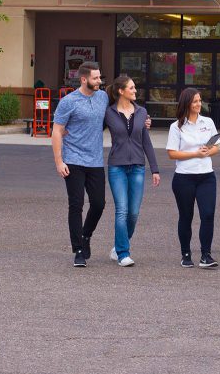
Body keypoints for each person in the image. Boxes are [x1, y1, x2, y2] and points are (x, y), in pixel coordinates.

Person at [52, 62, 108, 268]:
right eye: (95, 78)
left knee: (99, 203)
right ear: (84, 79)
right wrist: (59, 161)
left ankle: (86, 236)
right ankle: (78, 250)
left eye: (100, 77)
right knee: (76, 205)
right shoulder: (69, 101)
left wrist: (143, 119)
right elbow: (57, 131)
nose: (99, 82)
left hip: (95, 161)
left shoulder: (103, 97)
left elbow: (122, 108)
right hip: (73, 160)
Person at [104, 75, 160, 267]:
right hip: (116, 167)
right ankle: (123, 253)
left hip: (137, 167)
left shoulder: (142, 112)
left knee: (133, 213)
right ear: (121, 91)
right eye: (132, 88)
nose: (136, 91)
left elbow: (146, 142)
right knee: (122, 210)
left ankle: (119, 244)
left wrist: (155, 169)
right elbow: (93, 129)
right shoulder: (108, 113)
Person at [166, 87, 220, 269]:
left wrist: (208, 151)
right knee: (186, 216)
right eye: (195, 101)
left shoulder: (208, 122)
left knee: (208, 214)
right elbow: (172, 154)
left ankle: (206, 255)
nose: (199, 104)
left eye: (200, 100)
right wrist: (195, 154)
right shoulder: (176, 127)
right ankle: (186, 253)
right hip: (184, 178)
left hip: (206, 176)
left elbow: (216, 147)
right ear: (187, 104)